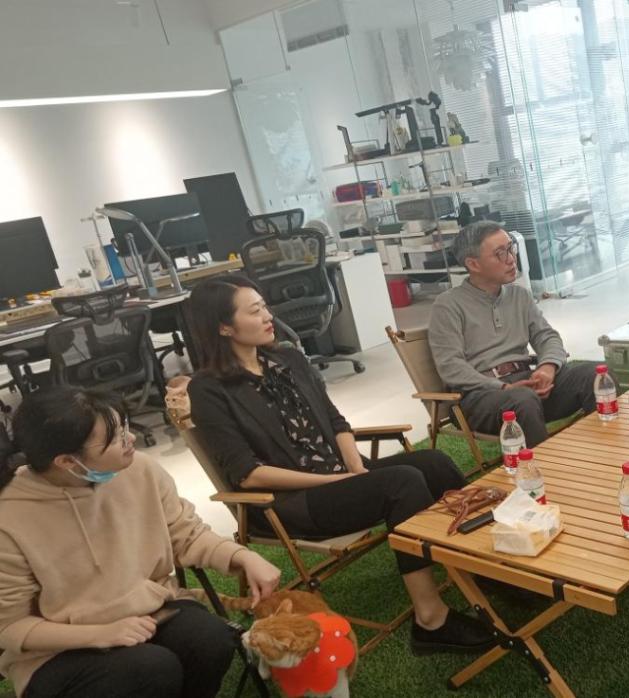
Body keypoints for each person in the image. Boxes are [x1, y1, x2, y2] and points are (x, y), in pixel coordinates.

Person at [185, 275, 493, 655]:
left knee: (435, 462)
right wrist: (333, 481)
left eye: (264, 306)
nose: (268, 316)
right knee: (402, 483)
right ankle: (431, 619)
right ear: (223, 327)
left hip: (341, 477)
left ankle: (484, 568)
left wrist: (355, 470)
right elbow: (247, 474)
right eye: (254, 311)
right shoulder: (209, 390)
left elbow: (335, 422)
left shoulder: (288, 359)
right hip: (290, 501)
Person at [0, 387, 282, 698]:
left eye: (125, 426)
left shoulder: (139, 469)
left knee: (209, 640)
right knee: (152, 669)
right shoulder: (9, 517)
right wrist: (99, 634)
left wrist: (243, 557)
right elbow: (10, 628)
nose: (131, 438)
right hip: (57, 652)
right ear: (67, 461)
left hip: (149, 611)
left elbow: (186, 533)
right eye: (116, 438)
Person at [428, 222, 598, 447]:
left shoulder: (520, 295)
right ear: (473, 264)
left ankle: (605, 451)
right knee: (523, 400)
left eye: (511, 248)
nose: (511, 259)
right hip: (480, 396)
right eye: (500, 253)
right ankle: (541, 466)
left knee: (595, 375)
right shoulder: (448, 305)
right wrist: (502, 388)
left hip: (526, 384)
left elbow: (547, 337)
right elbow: (451, 367)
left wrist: (547, 367)